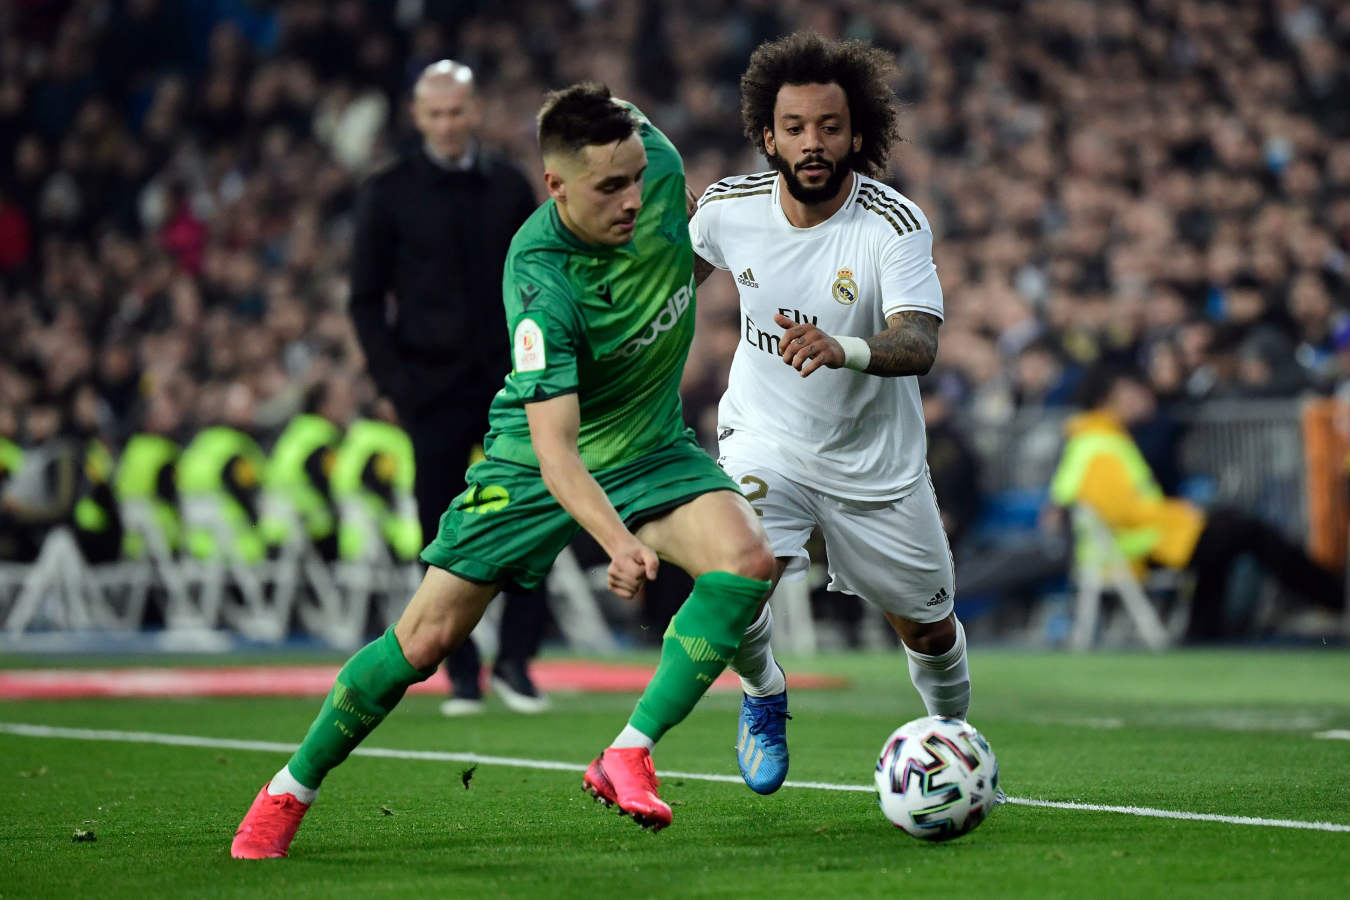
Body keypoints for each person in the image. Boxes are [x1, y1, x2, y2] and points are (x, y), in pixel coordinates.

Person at [230, 83, 774, 858]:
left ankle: (627, 752)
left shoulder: (653, 161)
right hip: (533, 462)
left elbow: (671, 230)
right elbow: (557, 450)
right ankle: (288, 790)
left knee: (748, 560)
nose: (634, 198)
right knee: (424, 641)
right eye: (608, 187)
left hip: (649, 445)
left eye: (637, 179)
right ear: (554, 186)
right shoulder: (539, 279)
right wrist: (618, 544)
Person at [688, 33, 969, 796]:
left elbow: (919, 339)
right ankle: (762, 693)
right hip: (764, 436)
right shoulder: (725, 209)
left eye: (830, 126)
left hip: (875, 462)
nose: (814, 143)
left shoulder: (893, 223)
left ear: (857, 132)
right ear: (767, 134)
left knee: (929, 630)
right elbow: (670, 277)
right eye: (797, 127)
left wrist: (842, 349)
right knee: (738, 576)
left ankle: (954, 743)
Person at [346, 60, 550, 715]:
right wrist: (396, 384)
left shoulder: (510, 186)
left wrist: (537, 365)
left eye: (456, 112)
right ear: (417, 116)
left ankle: (517, 662)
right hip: (429, 389)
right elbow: (364, 299)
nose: (446, 124)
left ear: (474, 111)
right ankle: (458, 669)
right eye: (435, 114)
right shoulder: (388, 191)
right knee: (439, 531)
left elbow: (538, 277)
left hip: (508, 387)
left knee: (533, 517)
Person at [1050, 365, 1343, 642]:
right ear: (1109, 398)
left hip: (1143, 540)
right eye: (1133, 392)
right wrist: (1182, 513)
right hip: (1140, 546)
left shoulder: (1096, 439)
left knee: (1230, 534)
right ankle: (1335, 596)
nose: (1142, 397)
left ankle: (1205, 629)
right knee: (1245, 531)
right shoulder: (1102, 445)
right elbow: (1123, 512)